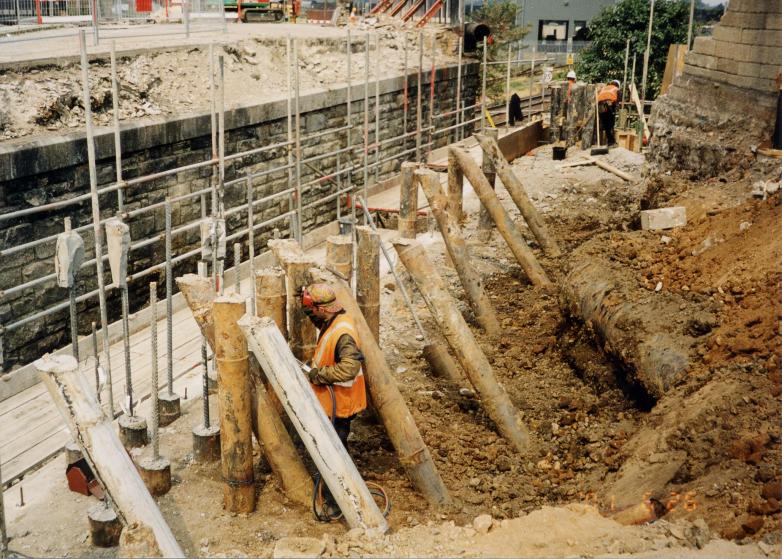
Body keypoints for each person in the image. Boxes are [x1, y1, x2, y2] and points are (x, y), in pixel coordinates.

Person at [301, 283, 366, 517]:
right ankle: (337, 492)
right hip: (333, 402)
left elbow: (349, 368)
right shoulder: (333, 320)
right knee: (335, 449)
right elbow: (319, 321)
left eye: (313, 310)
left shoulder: (343, 332)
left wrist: (319, 375)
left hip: (341, 404)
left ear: (323, 308)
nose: (312, 315)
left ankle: (337, 502)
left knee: (336, 453)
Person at [597, 79, 621, 147]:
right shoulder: (616, 89)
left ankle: (610, 141)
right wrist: (615, 110)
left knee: (606, 125)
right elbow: (618, 101)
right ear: (617, 85)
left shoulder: (604, 88)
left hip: (600, 106)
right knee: (610, 124)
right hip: (609, 105)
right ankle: (611, 142)